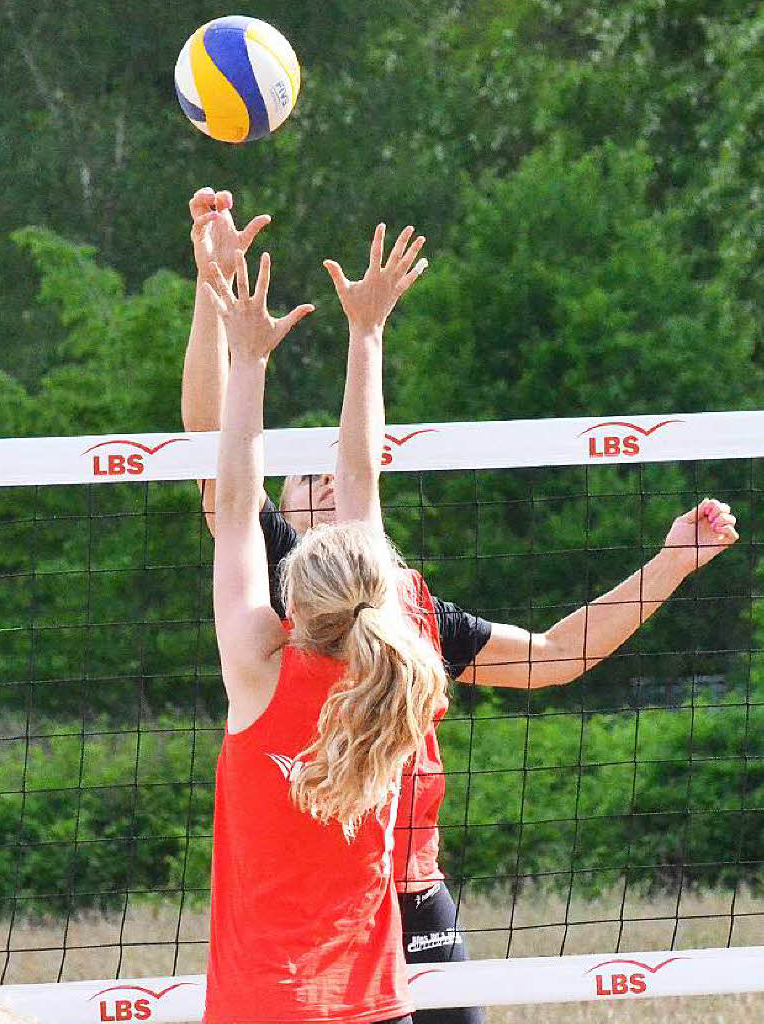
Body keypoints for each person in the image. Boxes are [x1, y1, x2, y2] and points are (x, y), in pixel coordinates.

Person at [183, 191, 739, 1024]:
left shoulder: (386, 613)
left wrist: (669, 564)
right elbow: (221, 461)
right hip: (348, 922)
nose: (331, 477)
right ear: (288, 526)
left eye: (337, 469)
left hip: (405, 896)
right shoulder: (324, 598)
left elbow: (554, 654)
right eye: (308, 474)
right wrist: (237, 298)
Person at [203, 239, 446, 1024]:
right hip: (373, 1005)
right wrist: (367, 334)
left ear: (291, 600)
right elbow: (361, 479)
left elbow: (237, 502)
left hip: (259, 1007)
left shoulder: (257, 669)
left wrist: (248, 362)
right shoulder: (395, 677)